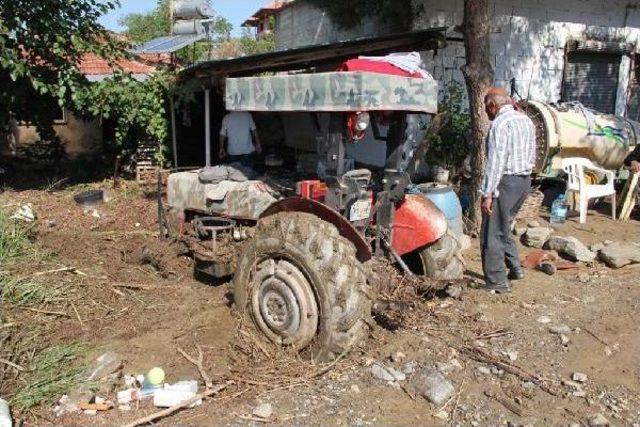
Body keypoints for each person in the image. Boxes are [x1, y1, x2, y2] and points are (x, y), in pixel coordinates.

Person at [480, 88, 537, 294]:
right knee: (505, 226)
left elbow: (496, 162)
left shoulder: (500, 124)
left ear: (492, 106)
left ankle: (497, 281)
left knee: (492, 232)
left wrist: (487, 194)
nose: (487, 113)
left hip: (505, 182)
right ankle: (515, 268)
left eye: (487, 109)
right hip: (523, 182)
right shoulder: (526, 120)